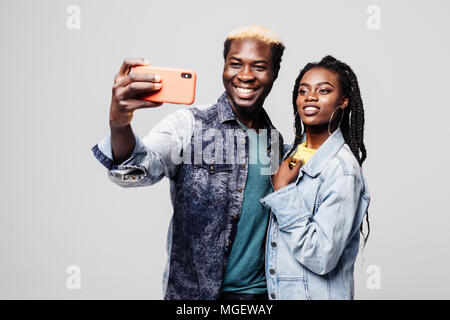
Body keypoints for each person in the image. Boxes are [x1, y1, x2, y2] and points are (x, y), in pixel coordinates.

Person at [91, 26, 285, 300]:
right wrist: (119, 124)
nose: (245, 75)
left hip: (264, 296)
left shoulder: (275, 141)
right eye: (235, 64)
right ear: (224, 67)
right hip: (197, 297)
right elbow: (137, 167)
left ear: (275, 72)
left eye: (259, 66)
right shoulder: (189, 125)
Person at [260, 56, 370, 300]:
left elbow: (322, 256)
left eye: (323, 90)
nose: (310, 96)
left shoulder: (342, 170)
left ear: (343, 101)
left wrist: (282, 192)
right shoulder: (292, 153)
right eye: (303, 90)